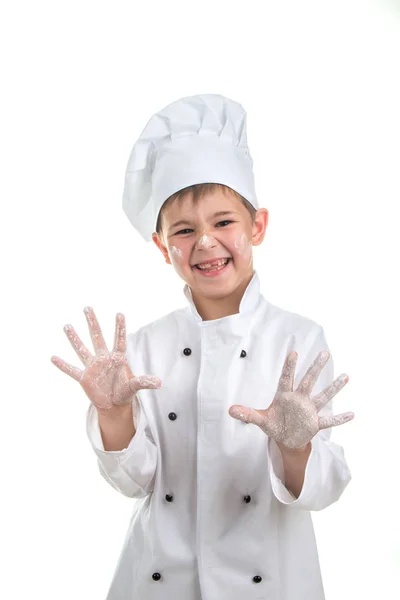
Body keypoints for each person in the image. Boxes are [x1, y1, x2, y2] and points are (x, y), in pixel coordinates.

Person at [51, 94, 354, 600]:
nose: (206, 243)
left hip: (270, 583)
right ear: (161, 246)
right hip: (159, 578)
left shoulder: (298, 340)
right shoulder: (147, 347)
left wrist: (295, 445)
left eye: (223, 223)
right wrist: (113, 413)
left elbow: (323, 490)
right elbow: (133, 481)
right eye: (185, 231)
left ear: (257, 226)